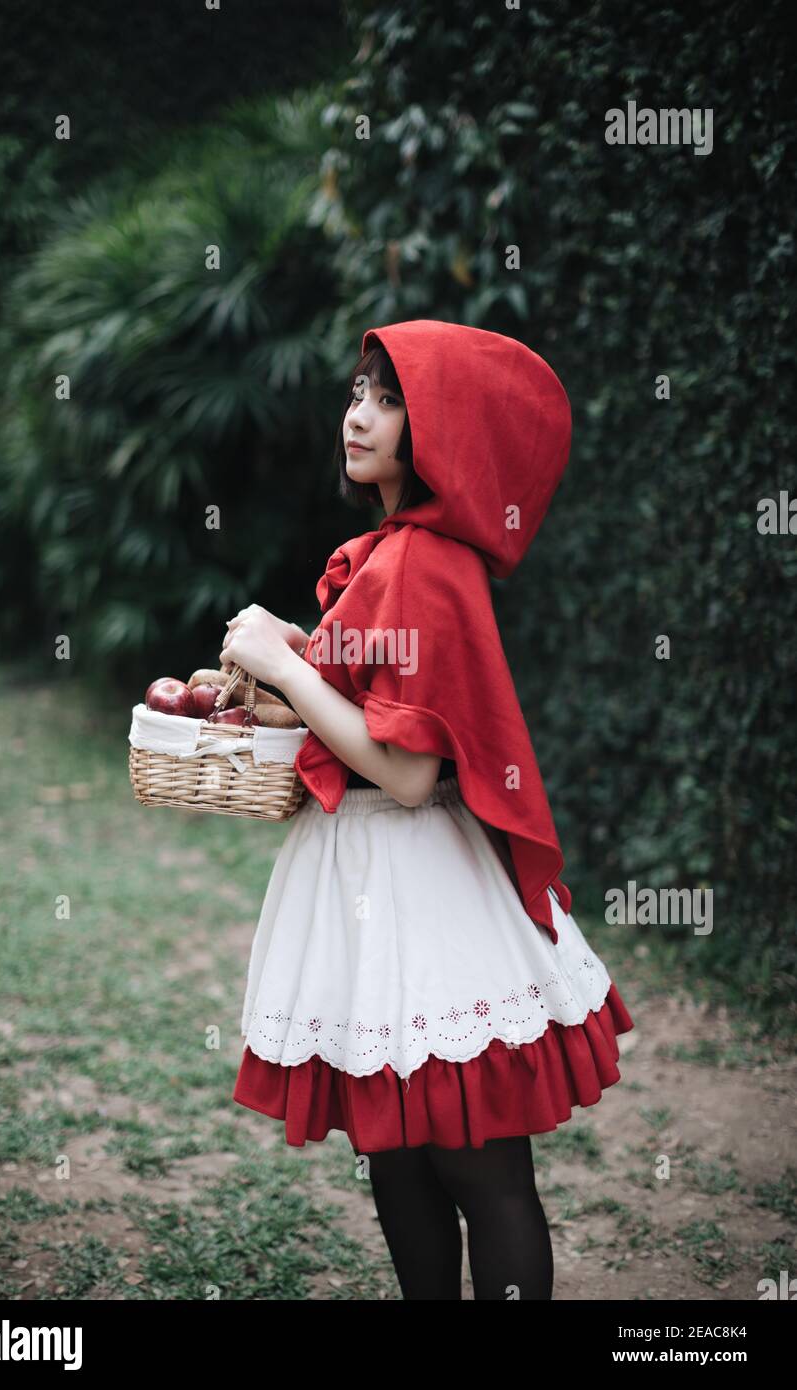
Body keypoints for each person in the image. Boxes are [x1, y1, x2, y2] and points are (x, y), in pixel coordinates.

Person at [222, 320, 635, 1300]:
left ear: (437, 425)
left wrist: (284, 662)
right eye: (357, 391)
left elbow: (405, 771)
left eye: (386, 397)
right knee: (398, 1151)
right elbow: (362, 710)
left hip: (417, 880)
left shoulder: (421, 562)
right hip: (367, 873)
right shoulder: (392, 554)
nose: (356, 414)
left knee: (476, 1167)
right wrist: (288, 667)